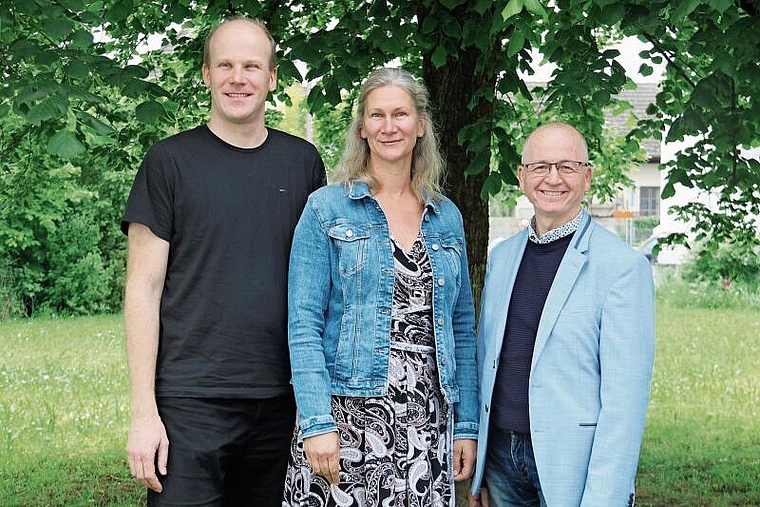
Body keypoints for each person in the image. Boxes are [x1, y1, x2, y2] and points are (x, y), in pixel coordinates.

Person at [121, 17, 326, 507]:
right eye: (226, 65)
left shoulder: (303, 163)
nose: (239, 77)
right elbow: (141, 291)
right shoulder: (168, 162)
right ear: (207, 74)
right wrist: (143, 412)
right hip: (190, 404)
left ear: (272, 77)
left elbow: (322, 287)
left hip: (284, 401)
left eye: (252, 65)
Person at [282, 67, 478, 507]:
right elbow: (303, 324)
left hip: (428, 421)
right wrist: (316, 423)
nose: (389, 126)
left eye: (400, 114)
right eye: (377, 115)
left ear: (421, 124)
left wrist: (466, 426)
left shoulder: (447, 217)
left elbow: (462, 329)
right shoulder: (326, 209)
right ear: (363, 128)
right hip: (346, 420)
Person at [470, 122, 655, 507]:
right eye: (540, 167)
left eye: (567, 167)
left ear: (586, 177)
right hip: (502, 460)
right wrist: (483, 473)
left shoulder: (622, 267)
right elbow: (487, 362)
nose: (552, 178)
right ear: (522, 178)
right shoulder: (502, 258)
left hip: (573, 462)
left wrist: (606, 497)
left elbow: (625, 403)